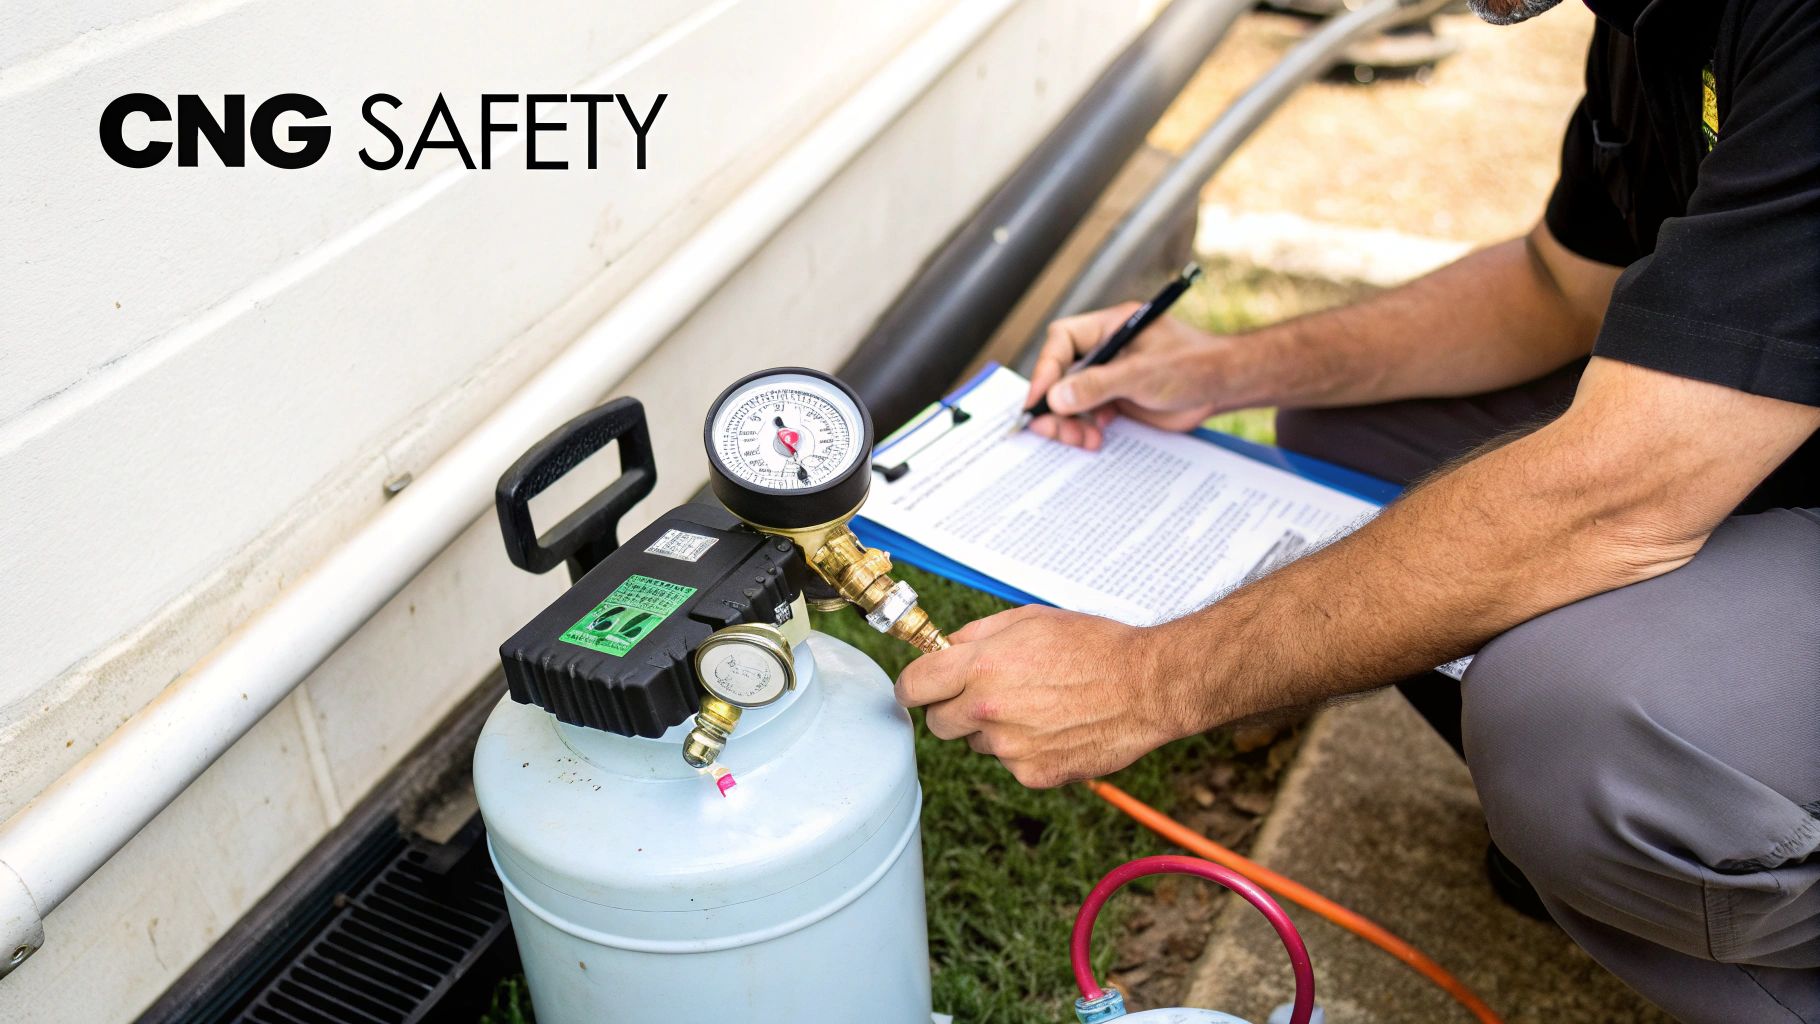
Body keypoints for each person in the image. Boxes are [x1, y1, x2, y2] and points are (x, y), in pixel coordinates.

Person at [893, 0, 1820, 1018]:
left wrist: (1149, 676)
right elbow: (1556, 286)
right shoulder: (1647, 22)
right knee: (1356, 440)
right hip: (1770, 445)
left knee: (1557, 713)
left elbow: (1619, 492)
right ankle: (1620, 840)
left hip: (1733, 471)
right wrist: (1222, 368)